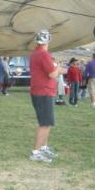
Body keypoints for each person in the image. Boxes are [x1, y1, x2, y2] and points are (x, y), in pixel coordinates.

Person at [29, 29, 67, 163]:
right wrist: (59, 69)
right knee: (45, 123)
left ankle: (43, 148)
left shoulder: (35, 53)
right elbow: (52, 74)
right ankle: (36, 152)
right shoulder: (44, 54)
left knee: (46, 122)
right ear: (48, 41)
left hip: (39, 91)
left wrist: (56, 68)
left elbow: (51, 70)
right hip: (44, 91)